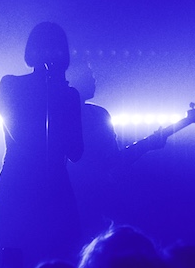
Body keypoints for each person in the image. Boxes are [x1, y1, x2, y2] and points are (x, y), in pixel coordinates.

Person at [0, 22, 84, 268]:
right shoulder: (11, 85)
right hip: (20, 189)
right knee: (15, 266)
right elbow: (20, 135)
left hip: (51, 189)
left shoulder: (69, 95)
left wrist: (63, 102)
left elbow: (76, 152)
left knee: (60, 266)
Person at [67, 63, 169, 239]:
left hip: (94, 198)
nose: (93, 79)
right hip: (78, 198)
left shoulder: (100, 114)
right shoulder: (73, 115)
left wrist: (149, 144)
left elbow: (114, 159)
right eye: (88, 75)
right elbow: (112, 161)